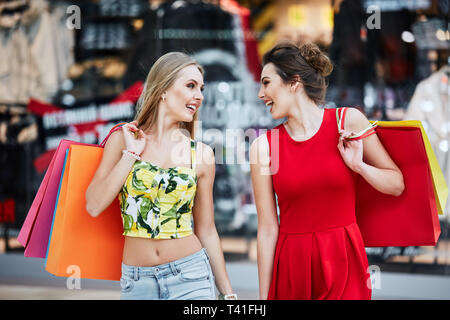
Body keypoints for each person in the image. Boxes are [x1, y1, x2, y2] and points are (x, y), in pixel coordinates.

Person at [249, 42, 405, 300]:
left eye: (266, 83)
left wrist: (359, 166)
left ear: (294, 82)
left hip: (345, 259)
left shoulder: (348, 121)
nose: (260, 93)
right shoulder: (264, 147)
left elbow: (396, 184)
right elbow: (267, 229)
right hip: (292, 265)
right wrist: (264, 298)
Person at [85, 52, 236, 300]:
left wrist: (228, 293)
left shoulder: (201, 154)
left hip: (191, 276)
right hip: (137, 281)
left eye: (201, 88)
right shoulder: (122, 139)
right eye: (190, 86)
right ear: (163, 89)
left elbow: (207, 230)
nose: (199, 96)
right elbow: (94, 205)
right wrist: (130, 155)